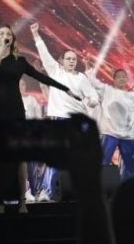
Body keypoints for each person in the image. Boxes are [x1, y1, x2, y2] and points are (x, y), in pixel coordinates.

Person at [0, 25, 75, 212]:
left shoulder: (20, 61)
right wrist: (2, 50)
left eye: (8, 34)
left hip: (15, 109)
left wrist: (65, 88)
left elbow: (40, 77)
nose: (5, 36)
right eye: (1, 34)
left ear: (13, 38)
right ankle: (0, 202)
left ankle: (22, 200)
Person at [30, 24, 100, 198]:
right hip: (58, 119)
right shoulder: (56, 72)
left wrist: (92, 101)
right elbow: (45, 54)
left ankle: (76, 190)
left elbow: (93, 95)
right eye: (68, 58)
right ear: (61, 60)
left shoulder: (81, 77)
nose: (72, 61)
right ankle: (47, 191)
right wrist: (36, 35)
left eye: (74, 59)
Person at [89, 66, 134, 176]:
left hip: (127, 135)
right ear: (114, 79)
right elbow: (94, 83)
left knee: (133, 165)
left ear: (127, 79)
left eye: (124, 77)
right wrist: (89, 70)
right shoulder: (107, 91)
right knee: (103, 162)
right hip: (110, 133)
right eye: (119, 77)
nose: (122, 79)